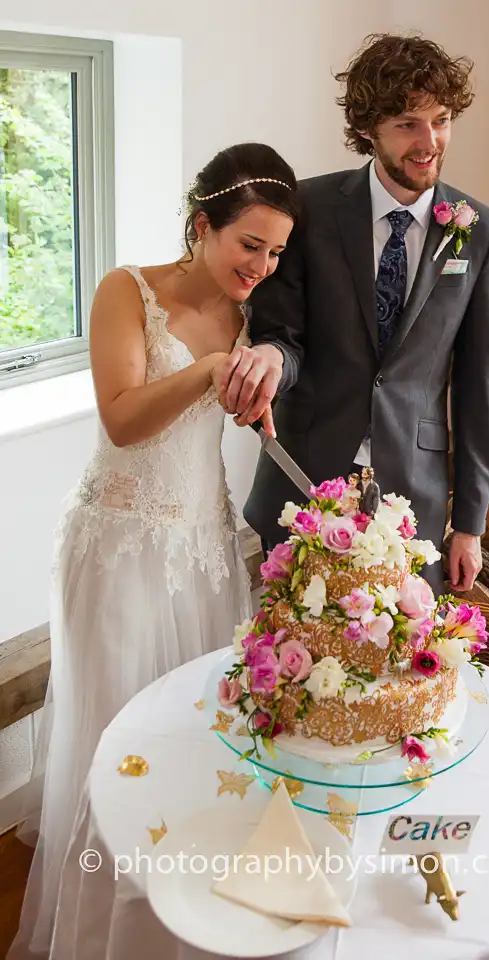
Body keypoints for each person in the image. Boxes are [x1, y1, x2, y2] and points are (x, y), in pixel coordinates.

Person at [9, 141, 298, 958]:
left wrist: (250, 400)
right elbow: (124, 419)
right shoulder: (125, 291)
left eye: (275, 252)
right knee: (117, 740)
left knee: (195, 739)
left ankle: (177, 925)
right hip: (120, 548)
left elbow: (233, 406)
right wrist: (210, 369)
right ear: (202, 224)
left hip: (206, 550)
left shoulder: (255, 318)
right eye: (250, 244)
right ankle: (101, 929)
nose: (262, 266)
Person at [219, 33, 489, 596]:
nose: (429, 142)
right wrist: (272, 357)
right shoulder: (308, 209)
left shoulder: (481, 229)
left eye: (442, 120)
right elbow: (284, 336)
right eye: (407, 123)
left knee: (392, 668)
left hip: (413, 496)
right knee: (292, 666)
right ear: (368, 128)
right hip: (302, 479)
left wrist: (470, 521)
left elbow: (481, 381)